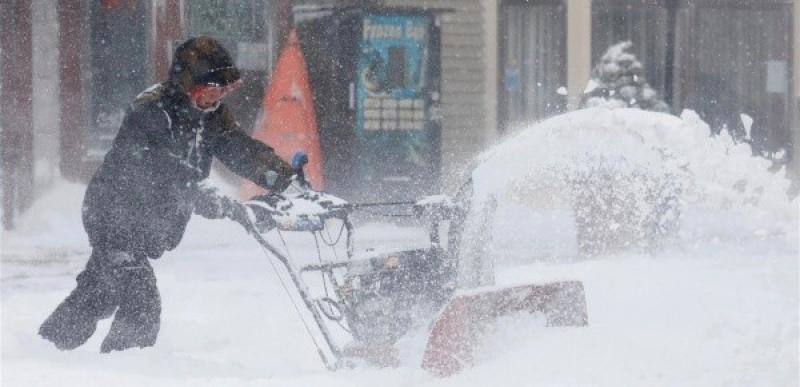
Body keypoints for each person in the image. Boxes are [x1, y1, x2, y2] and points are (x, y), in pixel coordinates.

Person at [38, 37, 294, 353]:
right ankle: (126, 366)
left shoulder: (212, 116)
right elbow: (145, 163)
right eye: (207, 92)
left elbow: (236, 146)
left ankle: (47, 348)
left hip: (148, 222)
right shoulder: (152, 110)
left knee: (101, 292)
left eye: (220, 93)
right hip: (114, 214)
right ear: (186, 85)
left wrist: (277, 175)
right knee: (141, 301)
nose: (212, 100)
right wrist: (194, 190)